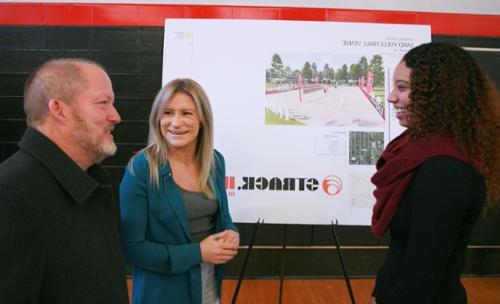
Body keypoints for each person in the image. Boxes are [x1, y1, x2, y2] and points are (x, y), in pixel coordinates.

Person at [370, 42, 500, 304]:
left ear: (437, 93)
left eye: (402, 88)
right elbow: (404, 250)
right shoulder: (421, 152)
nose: (391, 97)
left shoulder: (444, 170)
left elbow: (423, 274)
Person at [0, 58, 129, 303]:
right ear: (59, 110)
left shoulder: (96, 185)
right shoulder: (11, 194)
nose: (116, 116)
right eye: (103, 103)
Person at [120, 78, 239, 304]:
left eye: (186, 113)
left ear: (202, 119)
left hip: (208, 287)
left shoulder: (215, 162)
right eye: (167, 113)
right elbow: (131, 248)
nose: (175, 123)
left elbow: (223, 218)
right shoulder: (141, 168)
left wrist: (231, 233)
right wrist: (198, 253)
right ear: (157, 118)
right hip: (161, 294)